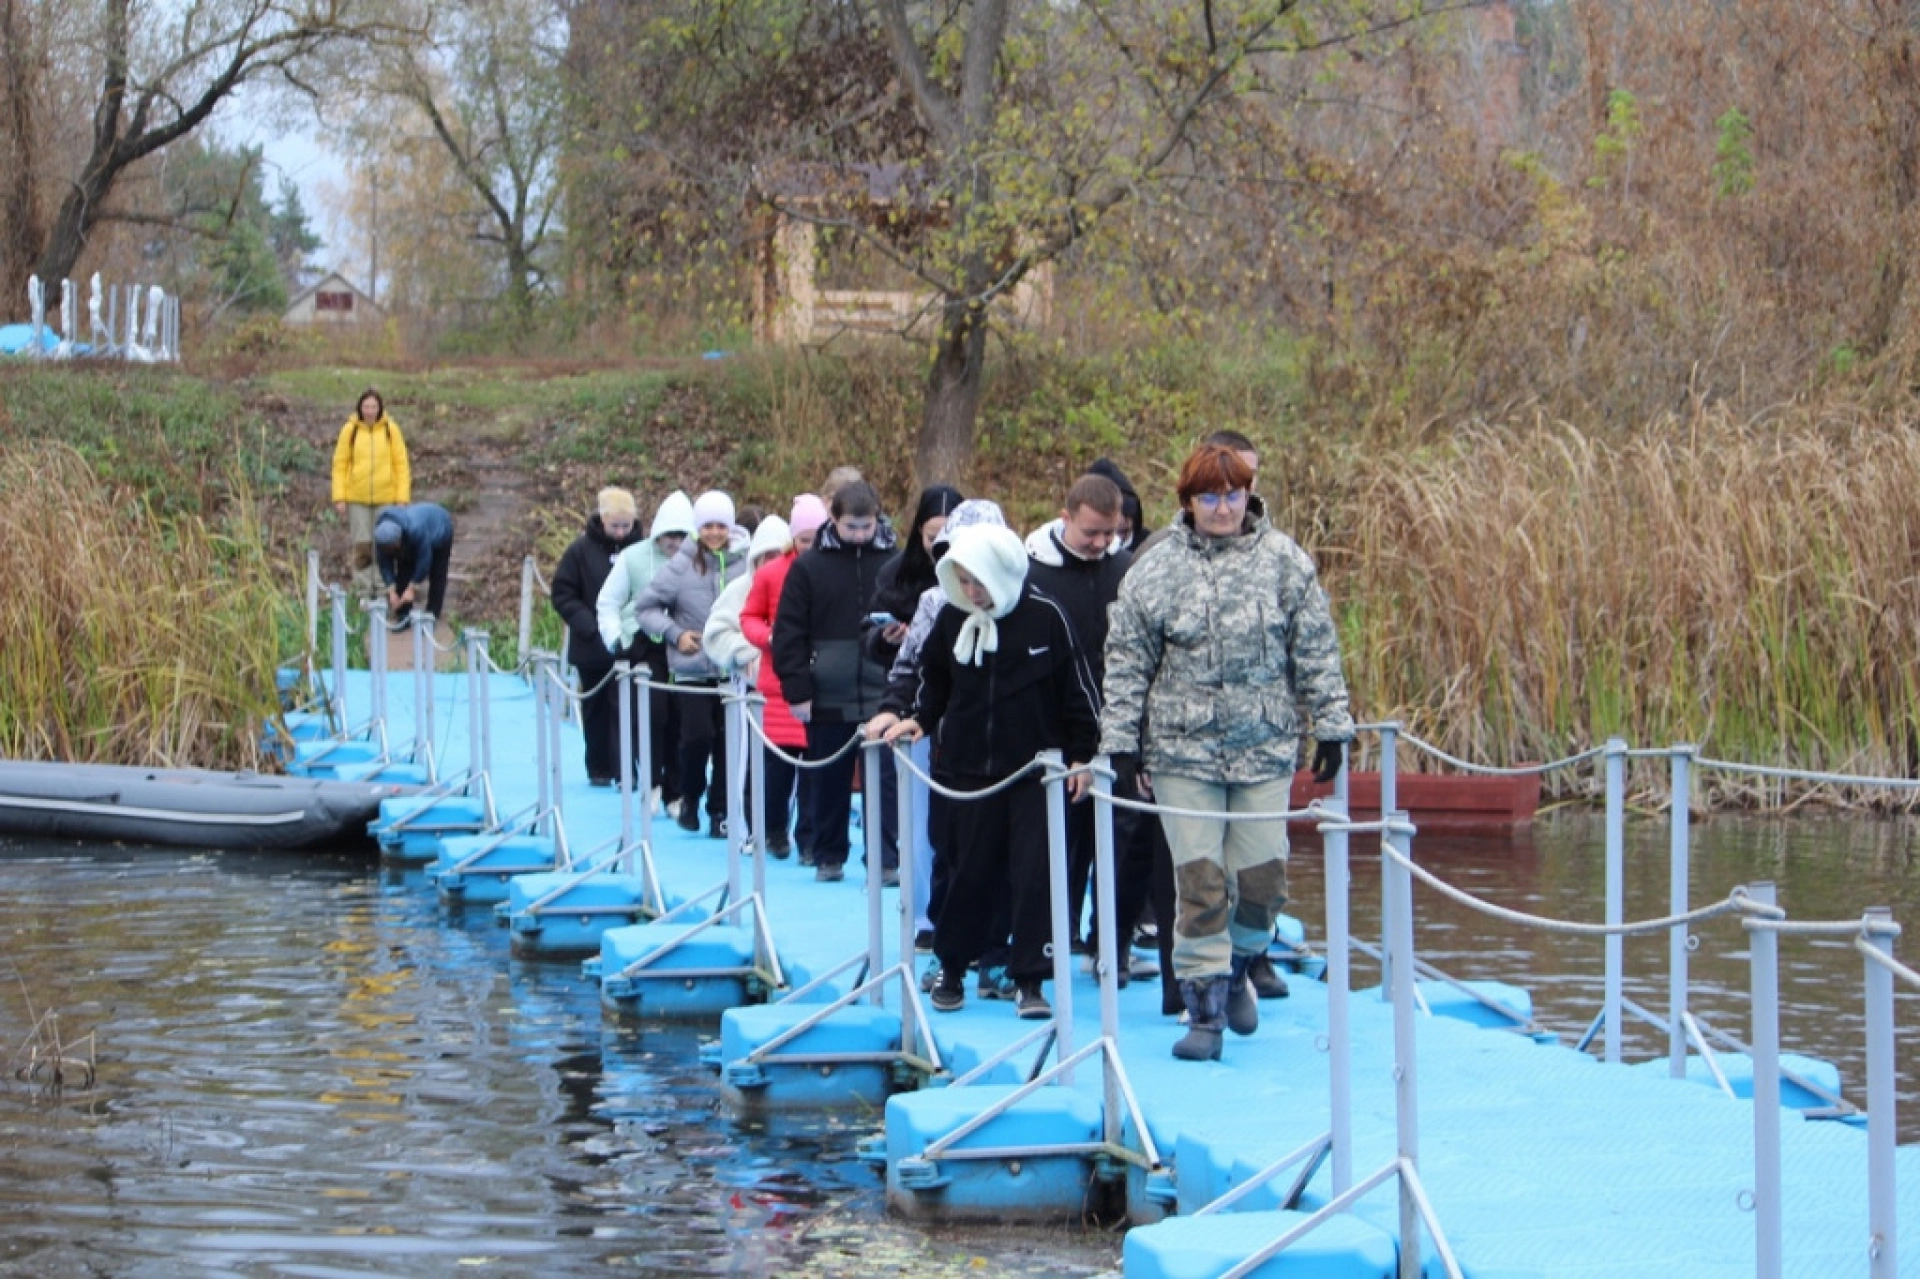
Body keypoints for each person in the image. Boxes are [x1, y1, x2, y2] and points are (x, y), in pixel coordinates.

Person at [1100, 443, 1353, 1062]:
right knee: (1200, 880)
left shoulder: (1285, 563)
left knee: (1262, 877)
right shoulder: (1154, 570)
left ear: (1249, 495)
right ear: (1188, 501)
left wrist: (1333, 725)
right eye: (1209, 496)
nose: (1222, 508)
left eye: (1232, 495)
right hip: (1183, 754)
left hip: (1264, 748)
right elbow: (1128, 661)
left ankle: (1239, 962)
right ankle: (1204, 1011)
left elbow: (1315, 647)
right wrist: (1122, 743)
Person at [880, 523, 1100, 1021]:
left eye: (979, 582)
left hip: (1033, 773)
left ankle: (1028, 977)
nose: (972, 592)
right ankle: (953, 966)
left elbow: (1078, 691)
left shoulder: (1046, 617)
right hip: (965, 769)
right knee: (966, 873)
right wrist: (922, 717)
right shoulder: (953, 619)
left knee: (1033, 876)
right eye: (964, 581)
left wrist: (1083, 755)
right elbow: (932, 676)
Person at [868, 498, 1011, 976]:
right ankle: (947, 941)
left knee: (1007, 855)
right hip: (952, 746)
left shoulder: (1028, 603)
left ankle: (1000, 949)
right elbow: (912, 668)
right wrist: (892, 710)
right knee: (947, 846)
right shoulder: (934, 603)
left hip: (1014, 749)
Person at [1024, 473, 1132, 962]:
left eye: (1109, 534)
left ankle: (1110, 941)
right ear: (1065, 518)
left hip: (1117, 725)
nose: (1100, 543)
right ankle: (1053, 937)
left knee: (1118, 844)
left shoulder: (1125, 570)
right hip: (1053, 730)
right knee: (1057, 845)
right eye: (1091, 533)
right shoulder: (1032, 573)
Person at [771, 480, 899, 883]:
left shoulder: (895, 561)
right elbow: (788, 631)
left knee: (887, 783)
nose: (860, 535)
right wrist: (797, 688)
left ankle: (886, 858)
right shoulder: (809, 566)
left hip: (885, 689)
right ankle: (828, 853)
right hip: (828, 688)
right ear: (834, 521)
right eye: (851, 527)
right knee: (829, 779)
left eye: (867, 526)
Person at [635, 490, 750, 838]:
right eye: (708, 526)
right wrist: (675, 634)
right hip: (693, 668)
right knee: (697, 737)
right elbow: (646, 608)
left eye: (721, 526)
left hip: (733, 669)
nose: (715, 533)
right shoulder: (680, 565)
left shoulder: (746, 563)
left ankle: (720, 811)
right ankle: (690, 796)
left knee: (729, 742)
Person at [740, 495, 831, 861]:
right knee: (775, 772)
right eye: (804, 539)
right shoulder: (770, 573)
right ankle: (773, 829)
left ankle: (810, 837)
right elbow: (749, 618)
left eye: (816, 538)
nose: (810, 546)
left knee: (817, 772)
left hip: (823, 681)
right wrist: (770, 638)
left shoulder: (832, 569)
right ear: (794, 539)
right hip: (777, 687)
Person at [597, 490, 695, 806]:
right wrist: (615, 640)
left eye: (682, 535)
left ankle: (676, 790)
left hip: (685, 647)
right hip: (643, 646)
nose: (675, 542)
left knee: (682, 718)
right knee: (652, 715)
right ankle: (651, 782)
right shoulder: (634, 557)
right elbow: (609, 602)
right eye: (669, 535)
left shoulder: (700, 561)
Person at [701, 511, 791, 847]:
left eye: (777, 556)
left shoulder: (803, 585)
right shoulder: (742, 588)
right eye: (764, 556)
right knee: (745, 763)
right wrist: (746, 653)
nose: (770, 562)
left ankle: (780, 829)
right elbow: (715, 633)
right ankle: (745, 826)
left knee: (787, 764)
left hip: (790, 691)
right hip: (750, 690)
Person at [549, 488, 643, 785]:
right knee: (596, 710)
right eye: (614, 525)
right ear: (602, 520)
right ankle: (600, 767)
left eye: (625, 526)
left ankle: (628, 768)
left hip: (632, 644)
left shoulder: (641, 550)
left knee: (630, 711)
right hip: (592, 647)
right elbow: (563, 593)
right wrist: (590, 625)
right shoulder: (579, 551)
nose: (620, 532)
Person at [867, 485, 962, 669]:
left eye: (949, 538)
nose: (940, 546)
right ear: (920, 530)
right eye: (932, 538)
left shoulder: (980, 571)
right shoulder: (895, 572)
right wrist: (886, 640)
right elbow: (868, 629)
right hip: (910, 677)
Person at [331, 389, 411, 597]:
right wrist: (339, 497)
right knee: (362, 544)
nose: (369, 411)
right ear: (360, 408)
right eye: (366, 407)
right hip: (357, 498)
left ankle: (384, 588)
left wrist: (402, 497)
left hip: (386, 498)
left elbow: (401, 464)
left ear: (380, 408)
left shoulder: (390, 430)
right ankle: (364, 591)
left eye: (373, 407)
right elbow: (340, 464)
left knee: (384, 544)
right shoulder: (350, 430)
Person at [372, 502, 454, 626]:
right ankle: (404, 615)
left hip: (440, 529)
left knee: (437, 574)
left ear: (399, 539)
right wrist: (391, 590)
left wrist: (412, 587)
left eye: (393, 547)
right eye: (388, 548)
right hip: (411, 541)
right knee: (403, 571)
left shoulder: (416, 530)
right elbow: (384, 564)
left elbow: (424, 561)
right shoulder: (381, 538)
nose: (391, 551)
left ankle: (432, 615)